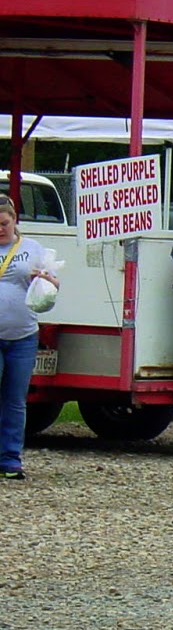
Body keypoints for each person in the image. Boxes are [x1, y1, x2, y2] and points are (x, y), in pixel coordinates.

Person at [0, 194, 61, 481]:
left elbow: (53, 284)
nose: (1, 229)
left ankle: (10, 459)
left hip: (23, 335)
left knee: (15, 399)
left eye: (4, 223)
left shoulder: (32, 248)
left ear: (15, 221)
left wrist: (49, 282)